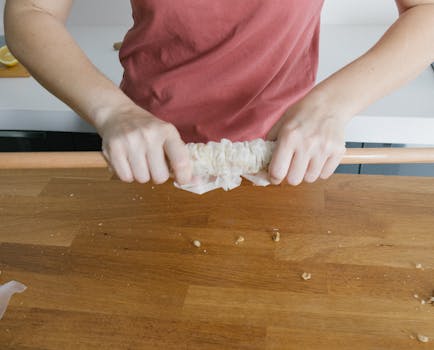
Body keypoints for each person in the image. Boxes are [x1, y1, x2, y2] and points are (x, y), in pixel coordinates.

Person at [5, 1, 434, 186]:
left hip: (288, 154)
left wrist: (330, 106)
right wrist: (114, 113)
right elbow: (31, 10)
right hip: (146, 149)